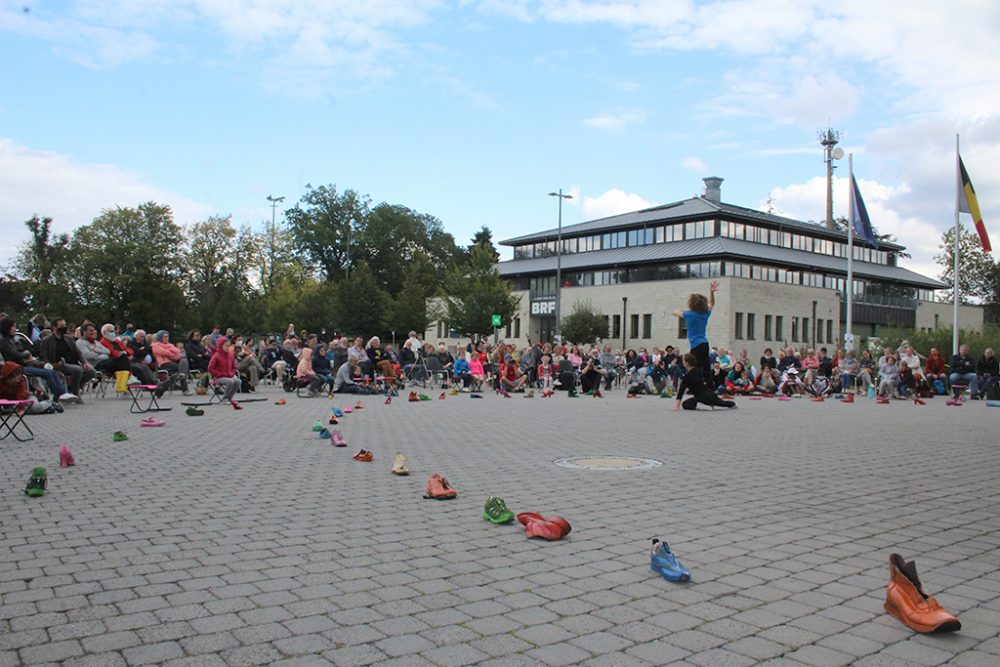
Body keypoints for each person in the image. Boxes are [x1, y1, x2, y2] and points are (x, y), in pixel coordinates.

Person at [0, 317, 77, 404]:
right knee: (47, 373)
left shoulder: (12, 339)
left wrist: (26, 354)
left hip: (23, 365)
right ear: (8, 327)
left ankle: (60, 394)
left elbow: (20, 351)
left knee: (51, 371)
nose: (15, 329)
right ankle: (60, 394)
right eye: (13, 326)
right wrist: (27, 354)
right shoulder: (4, 341)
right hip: (16, 368)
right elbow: (14, 354)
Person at [38, 316, 93, 397]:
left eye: (64, 325)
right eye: (61, 326)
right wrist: (52, 366)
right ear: (54, 327)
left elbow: (77, 352)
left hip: (72, 362)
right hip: (58, 364)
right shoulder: (46, 341)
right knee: (78, 370)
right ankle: (75, 392)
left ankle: (71, 388)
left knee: (91, 371)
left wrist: (84, 362)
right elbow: (44, 356)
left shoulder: (69, 338)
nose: (64, 328)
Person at [673, 281, 719, 375]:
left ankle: (695, 386)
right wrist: (712, 292)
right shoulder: (705, 314)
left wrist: (686, 310)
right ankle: (710, 386)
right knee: (706, 367)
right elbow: (712, 304)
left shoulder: (689, 314)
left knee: (694, 368)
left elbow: (675, 312)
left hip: (696, 344)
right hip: (705, 343)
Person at [151, 331, 192, 395]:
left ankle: (183, 376)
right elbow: (163, 352)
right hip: (163, 364)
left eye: (167, 336)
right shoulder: (156, 345)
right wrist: (171, 352)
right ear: (160, 337)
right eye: (165, 337)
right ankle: (185, 388)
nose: (167, 338)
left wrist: (169, 351)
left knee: (184, 359)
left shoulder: (170, 345)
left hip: (172, 362)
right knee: (182, 368)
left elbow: (178, 351)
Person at [207, 336, 242, 409]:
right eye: (226, 345)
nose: (227, 347)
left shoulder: (230, 355)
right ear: (220, 346)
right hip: (218, 378)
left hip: (229, 376)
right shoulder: (216, 356)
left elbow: (234, 367)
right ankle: (225, 398)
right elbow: (210, 369)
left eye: (228, 346)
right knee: (230, 382)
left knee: (238, 381)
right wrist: (219, 374)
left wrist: (232, 373)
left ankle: (229, 397)